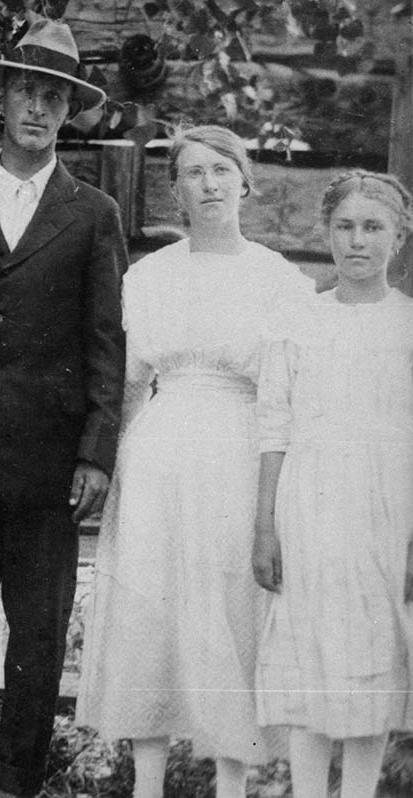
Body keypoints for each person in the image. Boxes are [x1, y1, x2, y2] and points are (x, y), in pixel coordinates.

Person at [0, 19, 126, 798]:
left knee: (38, 641)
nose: (37, 109)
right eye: (24, 93)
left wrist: (95, 452)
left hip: (46, 465)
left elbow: (106, 340)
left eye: (53, 97)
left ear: (67, 111)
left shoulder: (93, 214)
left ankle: (16, 785)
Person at [76, 125, 309, 798]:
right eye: (193, 173)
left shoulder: (278, 280)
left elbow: (283, 402)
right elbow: (124, 385)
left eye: (220, 170)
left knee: (232, 615)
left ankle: (229, 782)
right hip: (158, 457)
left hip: (239, 459)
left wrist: (274, 510)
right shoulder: (149, 277)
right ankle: (147, 783)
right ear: (175, 189)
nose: (208, 184)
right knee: (152, 612)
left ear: (244, 180)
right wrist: (111, 470)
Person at [251, 170, 413, 798]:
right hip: (309, 505)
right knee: (311, 654)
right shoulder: (296, 321)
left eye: (374, 227)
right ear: (326, 234)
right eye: (344, 227)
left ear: (398, 237)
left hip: (387, 511)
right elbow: (273, 426)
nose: (358, 241)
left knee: (372, 657)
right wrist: (265, 524)